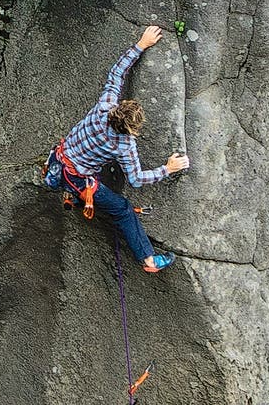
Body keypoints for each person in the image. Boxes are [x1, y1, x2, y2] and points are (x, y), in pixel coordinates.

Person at [52, 24, 190, 274]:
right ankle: (149, 260)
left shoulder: (104, 108)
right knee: (124, 209)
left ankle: (70, 195)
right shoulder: (124, 145)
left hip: (59, 160)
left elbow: (116, 75)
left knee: (85, 173)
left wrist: (141, 44)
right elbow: (136, 179)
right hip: (80, 178)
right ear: (133, 130)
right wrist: (167, 169)